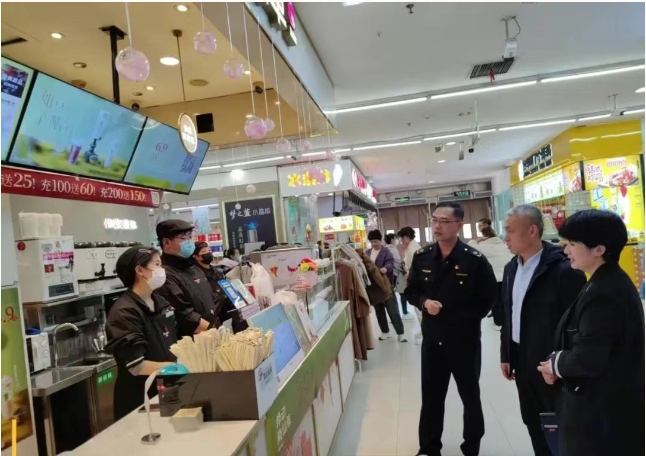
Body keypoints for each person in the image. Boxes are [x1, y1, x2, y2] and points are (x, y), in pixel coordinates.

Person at [538, 210, 645, 456]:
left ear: (599, 249)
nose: (566, 250)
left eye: (572, 244)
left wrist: (555, 364)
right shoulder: (604, 281)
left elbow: (589, 358)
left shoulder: (604, 294)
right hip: (605, 407)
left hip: (601, 415)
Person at [406, 202, 498, 456]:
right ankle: (429, 448)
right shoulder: (422, 256)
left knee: (470, 397)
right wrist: (424, 302)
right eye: (435, 220)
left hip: (464, 342)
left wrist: (464, 320)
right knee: (431, 398)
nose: (437, 226)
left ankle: (471, 448)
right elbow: (411, 291)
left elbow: (489, 297)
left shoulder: (474, 260)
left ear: (459, 225)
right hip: (433, 341)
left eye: (444, 221)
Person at [500, 205, 586, 456]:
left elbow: (575, 324)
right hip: (521, 357)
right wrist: (506, 353)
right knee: (532, 419)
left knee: (559, 424)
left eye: (510, 231)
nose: (506, 237)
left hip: (551, 361)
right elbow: (509, 313)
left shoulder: (563, 269)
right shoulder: (511, 268)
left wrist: (563, 364)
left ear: (532, 231)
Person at [105, 247, 177, 421]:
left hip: (166, 389)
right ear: (139, 270)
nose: (162, 270)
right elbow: (136, 366)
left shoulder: (161, 302)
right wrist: (175, 367)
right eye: (157, 264)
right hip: (140, 398)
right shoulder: (124, 311)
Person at [155, 220, 224, 337]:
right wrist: (213, 331)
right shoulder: (165, 275)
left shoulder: (194, 268)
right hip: (192, 341)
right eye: (183, 238)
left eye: (190, 237)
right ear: (166, 242)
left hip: (211, 334)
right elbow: (184, 315)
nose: (189, 242)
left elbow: (210, 299)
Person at [193, 242, 247, 332]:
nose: (208, 253)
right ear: (196, 256)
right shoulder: (195, 276)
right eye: (204, 251)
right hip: (210, 316)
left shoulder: (217, 272)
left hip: (225, 311)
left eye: (209, 250)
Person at [468, 226, 513, 326]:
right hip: (507, 277)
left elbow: (469, 248)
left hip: (494, 278)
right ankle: (507, 321)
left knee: (495, 301)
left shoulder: (483, 246)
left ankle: (498, 322)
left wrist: (475, 240)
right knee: (506, 300)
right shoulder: (503, 244)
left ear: (483, 236)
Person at [366, 230, 407, 342]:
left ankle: (400, 333)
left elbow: (390, 262)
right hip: (374, 287)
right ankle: (385, 332)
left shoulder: (386, 252)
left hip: (386, 285)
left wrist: (385, 268)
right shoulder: (367, 253)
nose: (373, 244)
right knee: (379, 310)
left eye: (375, 241)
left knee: (392, 310)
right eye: (371, 242)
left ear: (380, 240)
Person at [398, 226, 423, 343]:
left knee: (420, 310)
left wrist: (407, 274)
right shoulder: (411, 247)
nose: (401, 242)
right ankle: (423, 331)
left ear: (406, 238)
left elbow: (416, 268)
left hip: (417, 283)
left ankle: (426, 335)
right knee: (419, 310)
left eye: (401, 239)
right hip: (415, 282)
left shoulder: (413, 250)